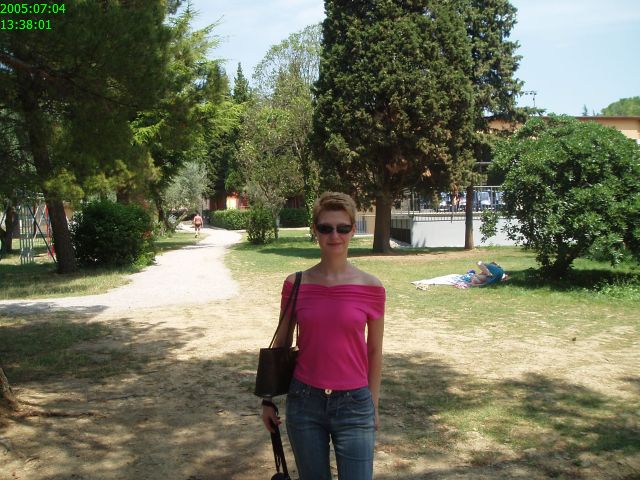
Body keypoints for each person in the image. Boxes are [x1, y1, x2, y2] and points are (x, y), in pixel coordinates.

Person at [261, 192, 386, 480]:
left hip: (355, 404)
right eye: (326, 228)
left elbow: (374, 351)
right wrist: (267, 399)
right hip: (304, 402)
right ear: (315, 230)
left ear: (353, 230)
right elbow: (281, 343)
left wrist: (373, 405)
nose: (334, 235)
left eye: (343, 228)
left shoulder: (372, 287)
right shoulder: (296, 284)